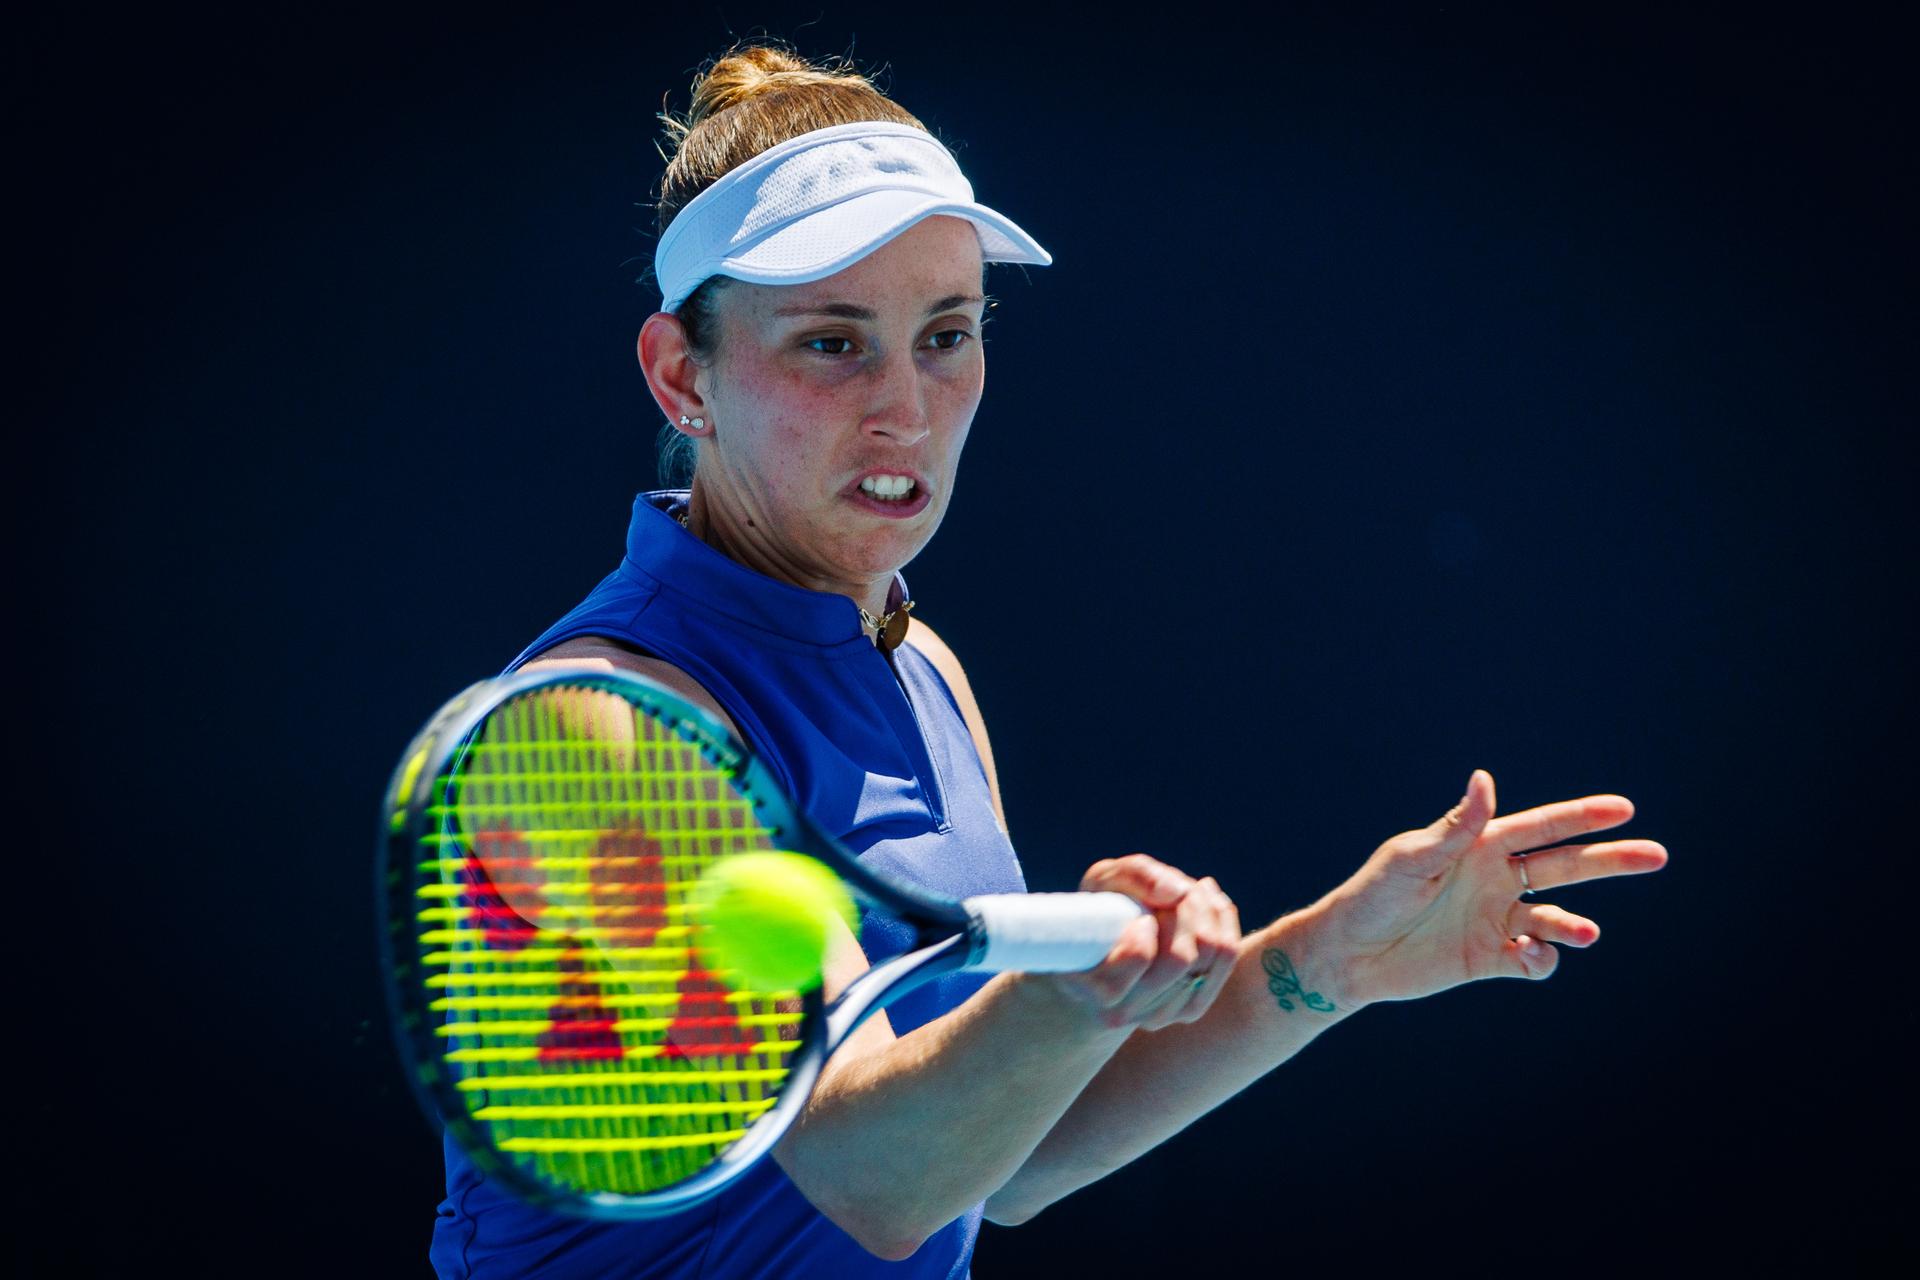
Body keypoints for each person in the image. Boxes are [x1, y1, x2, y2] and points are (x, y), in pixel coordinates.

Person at [429, 43, 1668, 1280]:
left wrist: (1323, 961)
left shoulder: (924, 670)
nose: (906, 407)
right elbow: (864, 1168)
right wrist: (1060, 995)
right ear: (680, 374)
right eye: (830, 342)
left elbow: (1003, 1160)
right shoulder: (599, 727)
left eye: (947, 334)